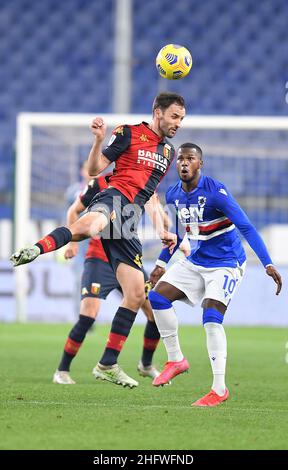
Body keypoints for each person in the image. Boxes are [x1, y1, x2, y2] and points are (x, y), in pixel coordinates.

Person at [11, 92, 185, 388]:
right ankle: (36, 248)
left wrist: (162, 230)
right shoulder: (129, 133)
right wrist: (97, 140)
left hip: (130, 218)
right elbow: (94, 169)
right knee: (90, 226)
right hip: (113, 197)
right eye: (174, 116)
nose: (178, 123)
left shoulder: (168, 152)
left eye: (181, 118)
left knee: (135, 294)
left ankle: (107, 363)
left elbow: (150, 196)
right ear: (158, 112)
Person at [148, 142, 282, 406]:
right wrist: (162, 264)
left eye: (191, 159)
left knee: (211, 317)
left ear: (200, 163)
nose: (184, 163)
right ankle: (176, 359)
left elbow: (246, 226)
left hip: (227, 262)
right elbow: (177, 234)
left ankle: (219, 389)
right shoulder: (174, 194)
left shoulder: (216, 192)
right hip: (197, 259)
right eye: (181, 159)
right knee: (157, 298)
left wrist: (267, 263)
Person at [53, 173, 164, 384]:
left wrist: (164, 224)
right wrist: (72, 243)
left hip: (128, 261)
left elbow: (159, 216)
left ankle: (146, 364)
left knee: (157, 311)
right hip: (99, 261)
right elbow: (74, 210)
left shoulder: (142, 184)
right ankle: (62, 370)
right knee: (88, 316)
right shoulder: (100, 183)